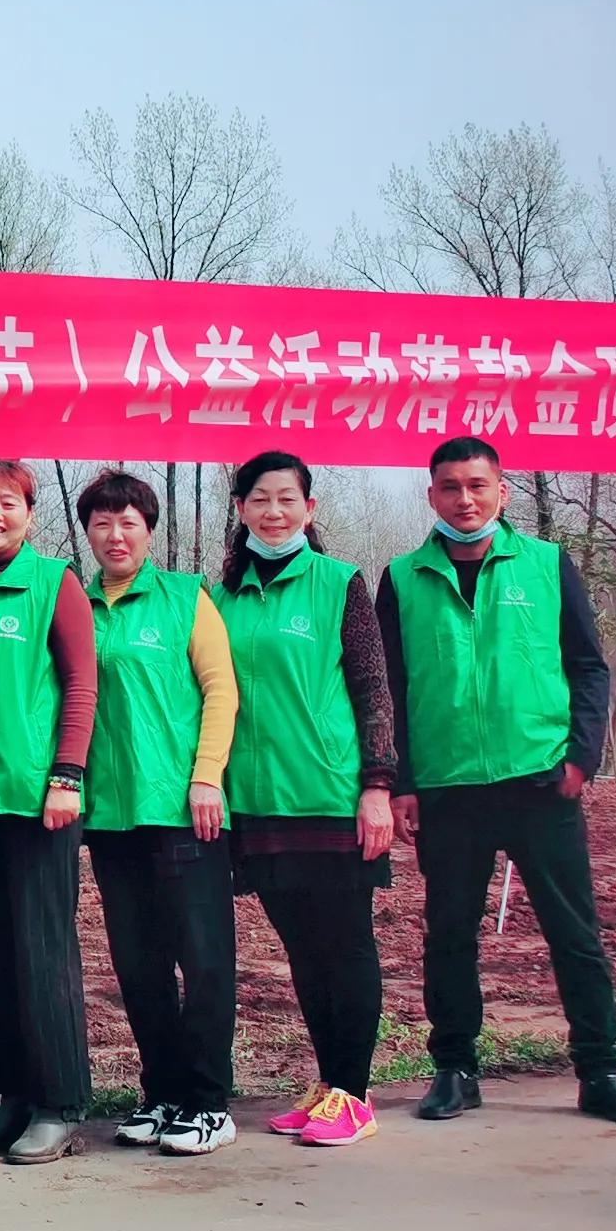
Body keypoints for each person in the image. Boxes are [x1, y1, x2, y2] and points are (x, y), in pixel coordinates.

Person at [377, 436, 616, 1128]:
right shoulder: (402, 579)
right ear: (432, 495)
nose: (464, 499)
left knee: (574, 933)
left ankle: (599, 1071)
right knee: (449, 935)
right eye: (450, 487)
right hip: (448, 790)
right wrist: (402, 780)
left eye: (477, 486)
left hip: (540, 783)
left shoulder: (546, 565)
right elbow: (391, 688)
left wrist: (581, 756)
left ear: (502, 492)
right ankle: (455, 1070)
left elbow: (587, 666)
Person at [214, 451, 401, 1149]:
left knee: (344, 945)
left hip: (328, 794)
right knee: (302, 949)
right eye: (260, 499)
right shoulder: (222, 596)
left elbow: (373, 688)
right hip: (257, 800)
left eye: (287, 499)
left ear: (309, 508)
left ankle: (354, 1091)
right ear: (241, 510)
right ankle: (329, 1085)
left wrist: (376, 786)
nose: (274, 512)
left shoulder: (338, 583)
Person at [74, 469, 240, 1158]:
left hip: (181, 809)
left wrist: (206, 778)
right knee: (138, 965)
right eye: (102, 524)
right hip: (111, 817)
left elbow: (221, 690)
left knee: (202, 960)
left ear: (149, 530)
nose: (116, 535)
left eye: (129, 523)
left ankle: (209, 1102)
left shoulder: (184, 598)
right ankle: (164, 1092)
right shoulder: (76, 604)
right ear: (88, 532)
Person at [0, 459, 99, 1167]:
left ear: (30, 515)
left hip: (37, 799)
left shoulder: (53, 583)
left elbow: (81, 683)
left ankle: (60, 1101)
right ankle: (13, 1094)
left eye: (9, 503)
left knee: (42, 949)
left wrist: (67, 774)